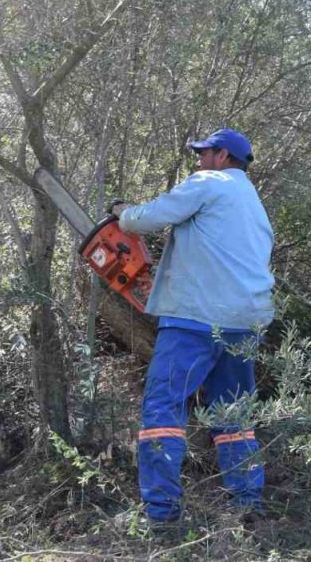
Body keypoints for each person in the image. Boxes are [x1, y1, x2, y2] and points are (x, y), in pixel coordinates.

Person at [111, 128, 275, 527]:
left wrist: (123, 214)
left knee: (163, 408)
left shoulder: (209, 181)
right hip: (245, 322)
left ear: (222, 156)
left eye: (204, 153)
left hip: (196, 319)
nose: (199, 160)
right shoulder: (252, 202)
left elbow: (150, 217)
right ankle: (248, 504)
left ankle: (162, 514)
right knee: (233, 417)